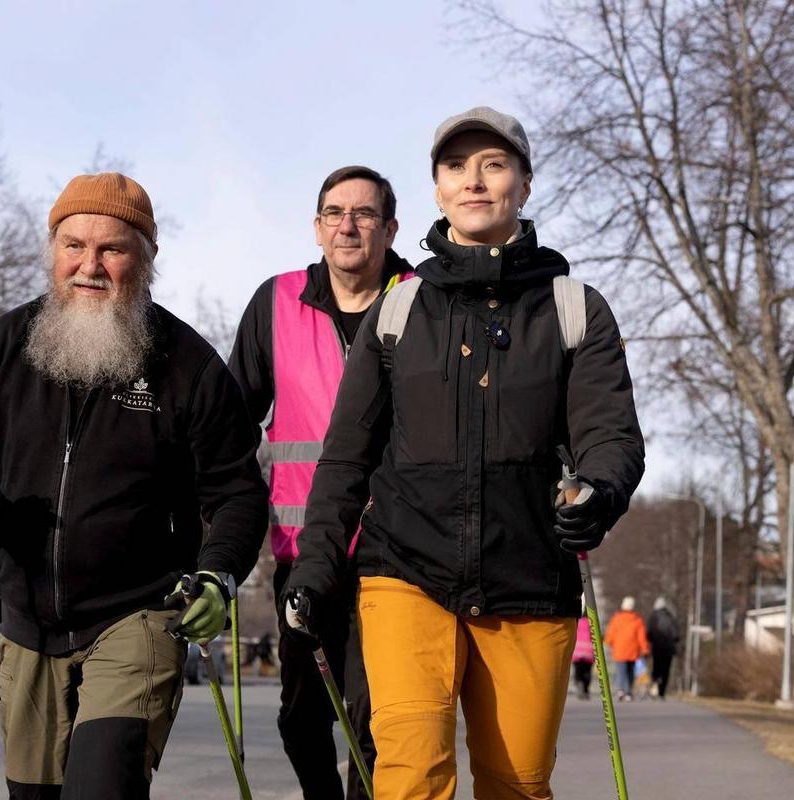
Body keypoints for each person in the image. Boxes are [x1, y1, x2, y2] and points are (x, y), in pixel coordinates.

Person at [284, 107, 645, 799]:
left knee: (517, 784)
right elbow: (346, 458)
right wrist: (317, 566)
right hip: (404, 571)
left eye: (493, 165)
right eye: (456, 167)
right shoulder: (399, 310)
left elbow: (611, 435)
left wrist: (598, 492)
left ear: (524, 185)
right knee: (410, 774)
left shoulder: (575, 308)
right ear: (439, 190)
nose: (474, 181)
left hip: (530, 577)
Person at [0, 172, 268, 800]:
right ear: (53, 251)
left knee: (103, 786)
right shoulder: (6, 345)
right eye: (73, 245)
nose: (89, 266)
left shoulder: (189, 365)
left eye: (112, 249)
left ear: (146, 260)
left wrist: (219, 574)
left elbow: (236, 492)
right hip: (26, 621)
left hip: (140, 613)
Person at [230, 165, 413, 800]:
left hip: (399, 554)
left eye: (364, 214)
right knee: (302, 715)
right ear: (317, 227)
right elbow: (232, 423)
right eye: (335, 213)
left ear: (390, 229)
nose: (348, 226)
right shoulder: (276, 302)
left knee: (376, 720)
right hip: (304, 553)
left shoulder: (425, 301)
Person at [605, 596, 650, 702]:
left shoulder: (616, 619)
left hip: (619, 650)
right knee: (630, 672)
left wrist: (607, 642)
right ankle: (628, 692)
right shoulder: (637, 620)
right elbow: (641, 637)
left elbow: (610, 634)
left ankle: (621, 690)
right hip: (633, 651)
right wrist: (645, 649)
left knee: (621, 671)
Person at [646, 596, 680, 698]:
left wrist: (651, 641)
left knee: (656, 667)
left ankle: (654, 686)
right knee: (666, 670)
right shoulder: (670, 617)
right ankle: (662, 691)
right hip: (669, 649)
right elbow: (676, 634)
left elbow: (648, 633)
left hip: (657, 648)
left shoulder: (653, 617)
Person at [571, 614, 595, 700]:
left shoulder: (576, 622)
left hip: (577, 651)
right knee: (587, 672)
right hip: (588, 651)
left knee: (578, 671)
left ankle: (578, 682)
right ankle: (586, 690)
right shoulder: (591, 622)